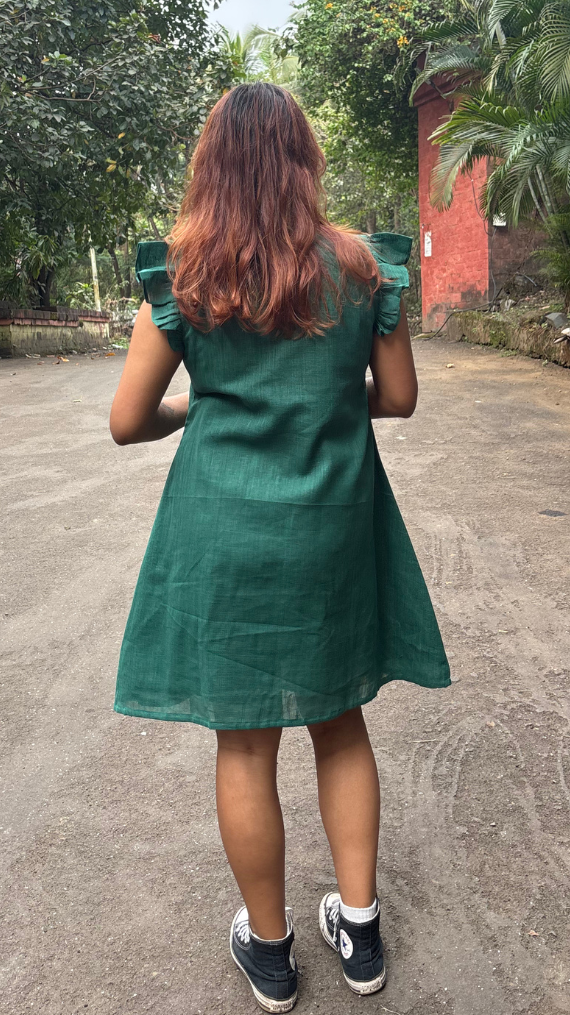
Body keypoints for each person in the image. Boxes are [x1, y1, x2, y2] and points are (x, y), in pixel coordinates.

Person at [110, 83, 450, 1013]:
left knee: (246, 742)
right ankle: (363, 929)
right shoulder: (360, 270)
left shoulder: (183, 275)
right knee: (340, 723)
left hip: (223, 530)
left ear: (210, 164)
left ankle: (270, 951)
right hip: (335, 523)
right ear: (305, 160)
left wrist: (201, 405)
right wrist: (326, 400)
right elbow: (401, 397)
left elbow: (127, 420)